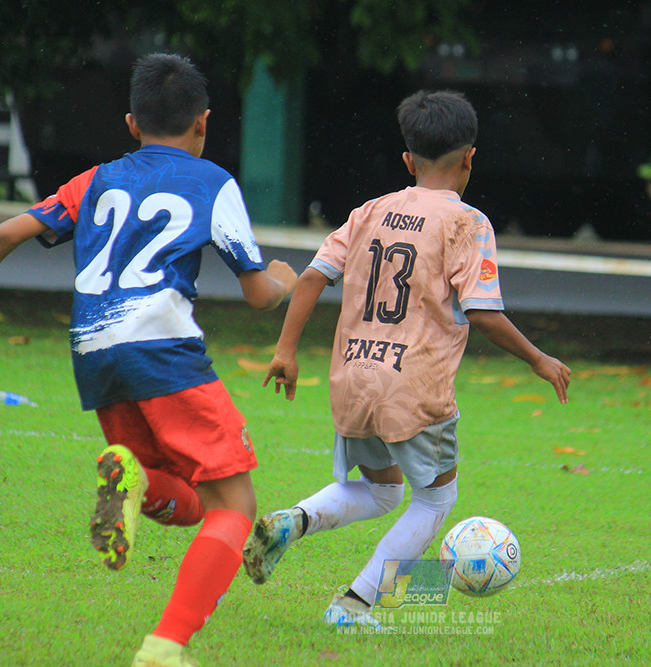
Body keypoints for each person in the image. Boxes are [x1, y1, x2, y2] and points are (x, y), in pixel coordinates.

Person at [0, 53, 297, 666]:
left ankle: (136, 480)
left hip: (93, 353)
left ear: (130, 122)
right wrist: (282, 278)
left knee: (189, 499)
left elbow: (4, 233)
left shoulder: (95, 179)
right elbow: (256, 295)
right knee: (236, 507)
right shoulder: (213, 182)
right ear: (203, 122)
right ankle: (164, 647)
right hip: (162, 350)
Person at [241, 90, 572, 628]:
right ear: (469, 157)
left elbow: (310, 278)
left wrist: (285, 351)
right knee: (436, 501)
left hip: (353, 376)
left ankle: (293, 521)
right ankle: (356, 604)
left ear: (407, 161)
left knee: (383, 489)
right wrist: (537, 358)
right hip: (414, 387)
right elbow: (483, 312)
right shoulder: (468, 223)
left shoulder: (370, 211)